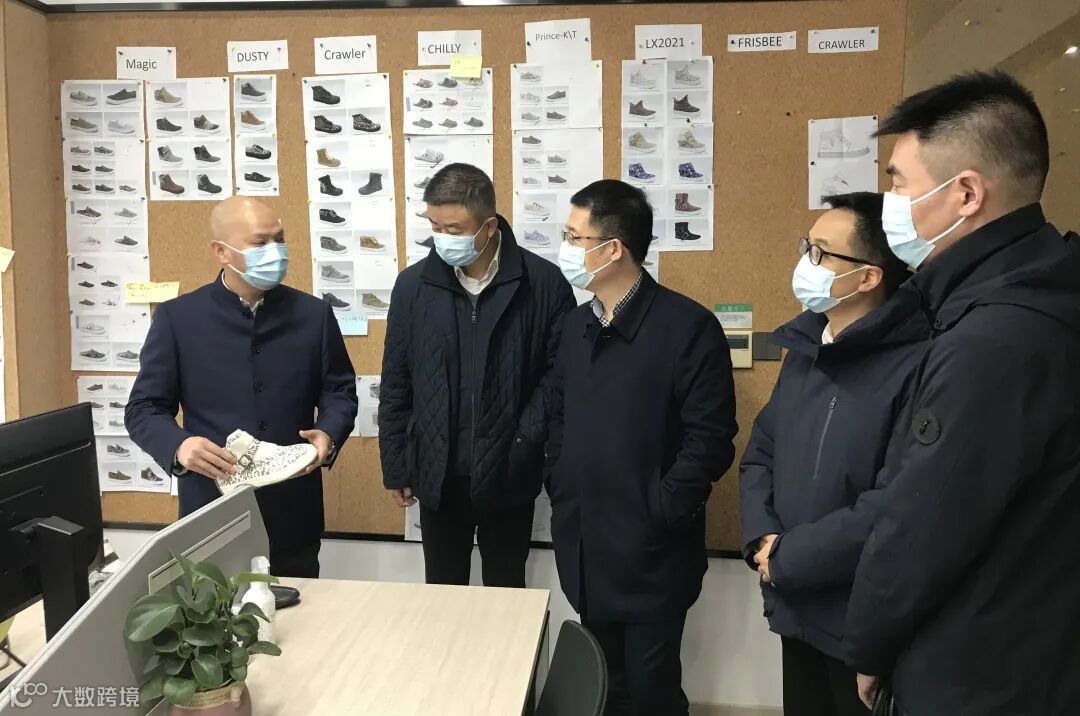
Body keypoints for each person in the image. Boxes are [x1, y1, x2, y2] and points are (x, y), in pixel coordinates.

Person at [843, 71, 1080, 714]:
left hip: (982, 670)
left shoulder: (994, 339)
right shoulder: (1048, 288)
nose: (890, 201)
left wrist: (867, 645)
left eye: (899, 182)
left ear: (966, 194)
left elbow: (924, 524)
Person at [546, 180, 738, 715]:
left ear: (613, 249)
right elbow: (557, 414)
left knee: (652, 689)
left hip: (652, 552)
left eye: (574, 237)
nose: (565, 247)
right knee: (603, 688)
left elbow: (710, 438)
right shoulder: (575, 326)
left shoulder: (688, 327)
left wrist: (662, 507)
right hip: (585, 544)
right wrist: (560, 481)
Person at [739, 192, 927, 716]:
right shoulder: (806, 350)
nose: (806, 262)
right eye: (807, 246)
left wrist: (789, 557)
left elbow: (895, 504)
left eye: (821, 253)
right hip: (792, 601)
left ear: (868, 277)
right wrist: (763, 539)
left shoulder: (917, 364)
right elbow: (761, 453)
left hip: (859, 616)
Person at [125, 196, 357, 577]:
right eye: (260, 242)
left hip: (293, 514)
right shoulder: (177, 319)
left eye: (279, 239)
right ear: (222, 251)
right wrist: (179, 446)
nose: (276, 251)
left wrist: (328, 434)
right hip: (210, 514)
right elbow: (144, 408)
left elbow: (340, 392)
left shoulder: (314, 315)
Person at [380, 163, 574, 587]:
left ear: (488, 226)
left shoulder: (543, 283)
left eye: (454, 228)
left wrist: (524, 438)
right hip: (438, 473)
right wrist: (396, 466)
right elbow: (396, 380)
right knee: (444, 592)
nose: (442, 238)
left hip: (509, 470)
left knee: (506, 594)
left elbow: (559, 377)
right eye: (435, 226)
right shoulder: (413, 286)